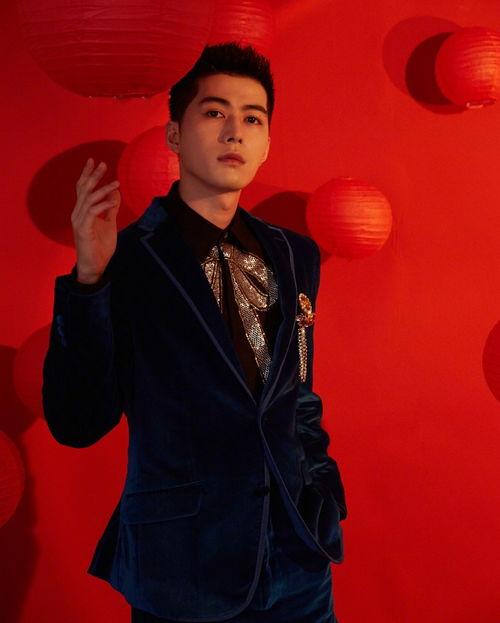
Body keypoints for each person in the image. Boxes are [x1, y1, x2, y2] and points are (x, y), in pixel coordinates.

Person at [42, 42, 348, 623]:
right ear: (175, 135)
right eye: (214, 112)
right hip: (183, 569)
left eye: (252, 119)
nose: (235, 132)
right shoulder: (127, 258)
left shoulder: (295, 255)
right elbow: (77, 421)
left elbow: (299, 392)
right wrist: (89, 279)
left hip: (298, 562)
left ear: (267, 143)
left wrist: (322, 498)